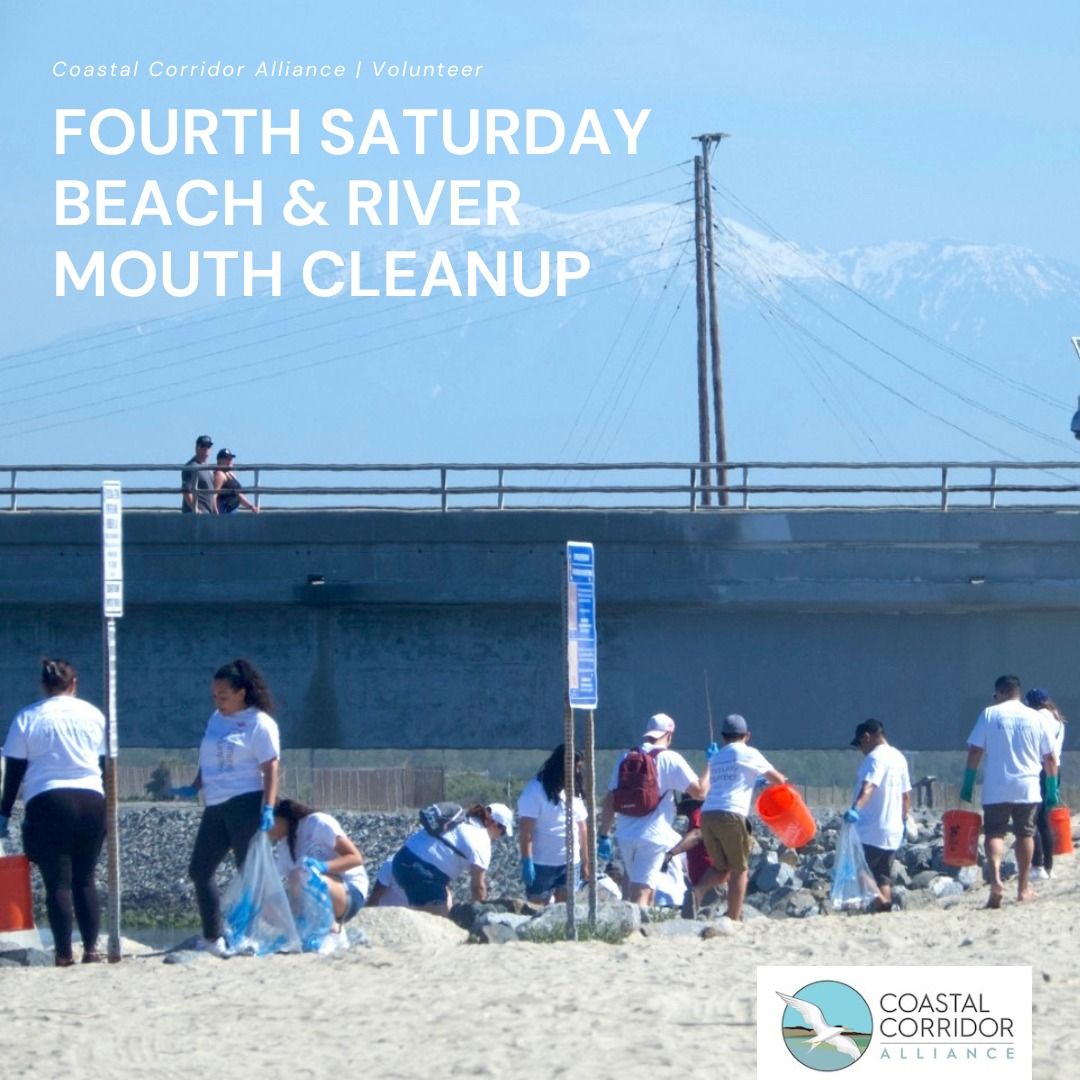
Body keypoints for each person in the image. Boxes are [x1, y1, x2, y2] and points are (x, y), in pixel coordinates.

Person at [0, 659, 107, 966]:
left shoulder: (28, 717)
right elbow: (104, 766)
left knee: (57, 883)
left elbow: (15, 772)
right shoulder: (93, 714)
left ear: (43, 687)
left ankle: (63, 953)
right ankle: (91, 949)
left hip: (49, 801)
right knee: (85, 880)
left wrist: (4, 812)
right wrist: (108, 810)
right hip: (91, 799)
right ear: (74, 684)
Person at [177, 659, 281, 954]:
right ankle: (213, 937)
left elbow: (272, 767)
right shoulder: (216, 719)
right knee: (200, 869)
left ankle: (250, 936)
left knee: (248, 872)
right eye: (215, 696)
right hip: (216, 803)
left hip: (245, 800)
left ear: (241, 693)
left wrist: (268, 807)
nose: (218, 701)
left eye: (224, 696)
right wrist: (196, 784)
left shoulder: (259, 723)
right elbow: (209, 755)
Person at [962, 674, 1058, 908]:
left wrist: (968, 782)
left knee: (995, 833)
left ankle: (995, 880)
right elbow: (1050, 757)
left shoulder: (990, 714)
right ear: (1018, 692)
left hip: (996, 785)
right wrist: (1052, 788)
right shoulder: (1036, 717)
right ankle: (1023, 888)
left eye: (995, 695)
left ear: (1002, 692)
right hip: (1027, 786)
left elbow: (975, 750)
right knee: (1025, 834)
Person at [598, 713, 708, 907]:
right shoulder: (670, 759)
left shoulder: (626, 757)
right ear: (669, 735)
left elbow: (610, 800)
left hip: (624, 834)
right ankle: (636, 931)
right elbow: (699, 792)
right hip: (653, 836)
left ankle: (641, 924)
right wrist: (711, 765)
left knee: (638, 886)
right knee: (643, 890)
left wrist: (604, 835)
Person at [697, 713, 788, 922]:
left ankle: (697, 892)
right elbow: (778, 780)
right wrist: (780, 780)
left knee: (720, 868)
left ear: (723, 736)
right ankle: (734, 918)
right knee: (739, 869)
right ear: (747, 735)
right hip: (732, 813)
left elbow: (719, 783)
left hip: (708, 815)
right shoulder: (750, 753)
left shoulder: (716, 757)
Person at [388, 803, 513, 916]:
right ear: (496, 825)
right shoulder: (482, 841)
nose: (499, 838)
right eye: (502, 833)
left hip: (402, 858)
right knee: (438, 926)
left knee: (443, 904)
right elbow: (478, 887)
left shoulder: (461, 819)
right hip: (423, 872)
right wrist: (479, 914)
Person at [843, 718, 912, 912]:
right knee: (882, 876)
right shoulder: (899, 758)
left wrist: (855, 809)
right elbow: (906, 796)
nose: (861, 750)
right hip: (893, 831)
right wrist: (903, 820)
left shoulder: (874, 758)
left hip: (870, 828)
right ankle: (884, 911)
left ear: (867, 737)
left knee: (858, 869)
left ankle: (882, 901)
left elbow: (869, 786)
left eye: (860, 744)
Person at [269, 798, 368, 929]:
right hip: (312, 895)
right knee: (267, 904)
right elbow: (274, 879)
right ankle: (300, 932)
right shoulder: (284, 845)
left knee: (301, 875)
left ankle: (330, 926)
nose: (267, 831)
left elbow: (356, 858)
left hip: (348, 892)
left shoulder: (317, 823)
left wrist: (323, 866)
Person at [517, 744, 589, 904]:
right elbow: (526, 829)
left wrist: (586, 860)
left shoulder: (573, 790)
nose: (577, 772)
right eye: (575, 767)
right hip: (542, 863)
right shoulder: (534, 791)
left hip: (570, 863)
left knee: (565, 910)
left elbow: (582, 827)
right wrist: (527, 861)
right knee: (537, 907)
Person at [1024, 688, 1067, 881]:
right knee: (1045, 820)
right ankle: (1049, 867)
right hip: (1056, 769)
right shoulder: (1057, 718)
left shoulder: (1038, 717)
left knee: (1034, 819)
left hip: (1042, 769)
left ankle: (1038, 865)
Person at [213, 448, 259, 514]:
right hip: (224, 511)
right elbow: (213, 495)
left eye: (231, 458)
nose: (230, 461)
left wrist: (251, 507)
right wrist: (215, 513)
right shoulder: (220, 474)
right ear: (219, 460)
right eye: (226, 458)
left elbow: (239, 495)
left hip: (233, 510)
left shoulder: (231, 474)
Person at [181, 434, 218, 514]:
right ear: (197, 447)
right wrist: (195, 509)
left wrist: (215, 510)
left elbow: (211, 491)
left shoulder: (208, 468)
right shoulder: (191, 466)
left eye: (209, 446)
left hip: (208, 513)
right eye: (203, 446)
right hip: (195, 514)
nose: (206, 449)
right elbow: (186, 491)